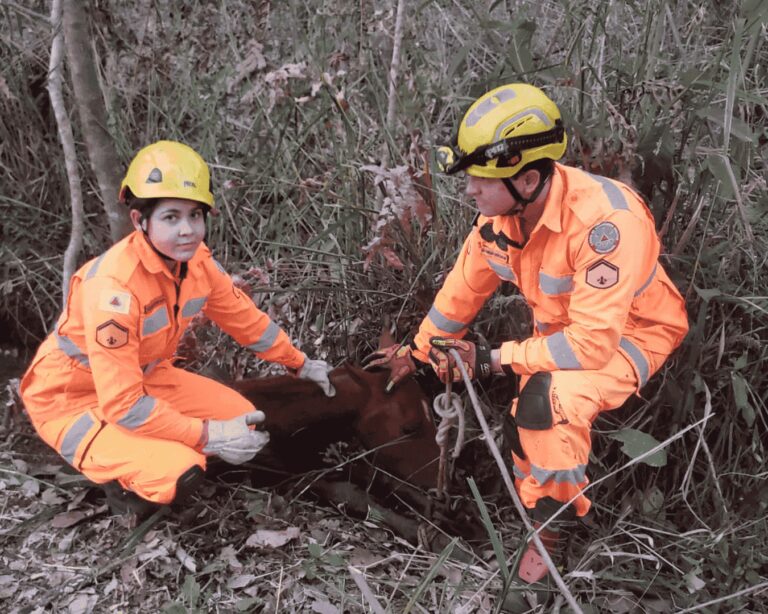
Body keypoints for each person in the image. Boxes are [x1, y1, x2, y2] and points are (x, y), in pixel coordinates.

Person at [365, 84, 688, 587]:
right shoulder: (502, 220)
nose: (470, 189)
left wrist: (492, 359)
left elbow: (590, 345)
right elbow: (461, 293)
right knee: (522, 420)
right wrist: (418, 353)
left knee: (544, 404)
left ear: (529, 178)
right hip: (562, 332)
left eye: (480, 179)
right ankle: (532, 503)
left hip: (631, 335)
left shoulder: (606, 224)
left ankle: (551, 531)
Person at [20, 141, 335, 517]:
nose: (187, 230)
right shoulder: (114, 291)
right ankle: (123, 486)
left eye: (195, 216)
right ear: (140, 221)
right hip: (72, 399)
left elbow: (246, 321)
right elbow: (122, 404)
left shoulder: (197, 265)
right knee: (179, 469)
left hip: (144, 380)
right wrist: (205, 435)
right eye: (171, 217)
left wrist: (300, 363)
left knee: (241, 419)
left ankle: (144, 449)